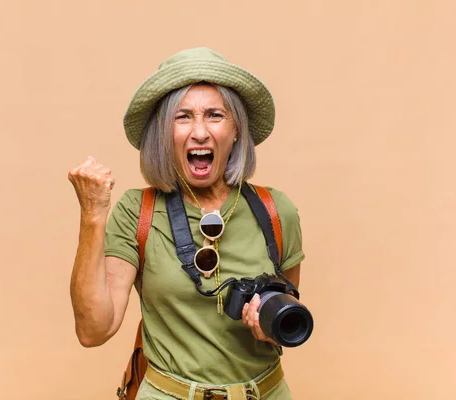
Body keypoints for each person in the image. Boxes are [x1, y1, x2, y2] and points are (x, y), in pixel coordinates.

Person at [68, 47, 305, 399]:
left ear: (236, 129)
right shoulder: (138, 211)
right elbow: (94, 330)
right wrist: (92, 214)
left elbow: (289, 314)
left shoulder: (275, 209)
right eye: (183, 117)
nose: (199, 132)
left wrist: (269, 326)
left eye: (214, 115)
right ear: (164, 134)